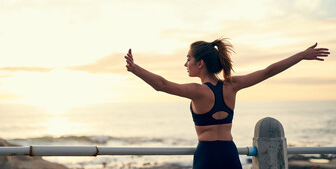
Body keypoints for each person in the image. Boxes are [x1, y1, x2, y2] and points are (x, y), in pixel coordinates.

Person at [124, 38, 330, 168]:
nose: (185, 64)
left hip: (207, 156)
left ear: (200, 63)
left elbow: (161, 84)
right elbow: (268, 71)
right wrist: (301, 56)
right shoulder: (232, 86)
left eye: (188, 59)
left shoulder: (197, 91)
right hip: (230, 154)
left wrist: (136, 69)